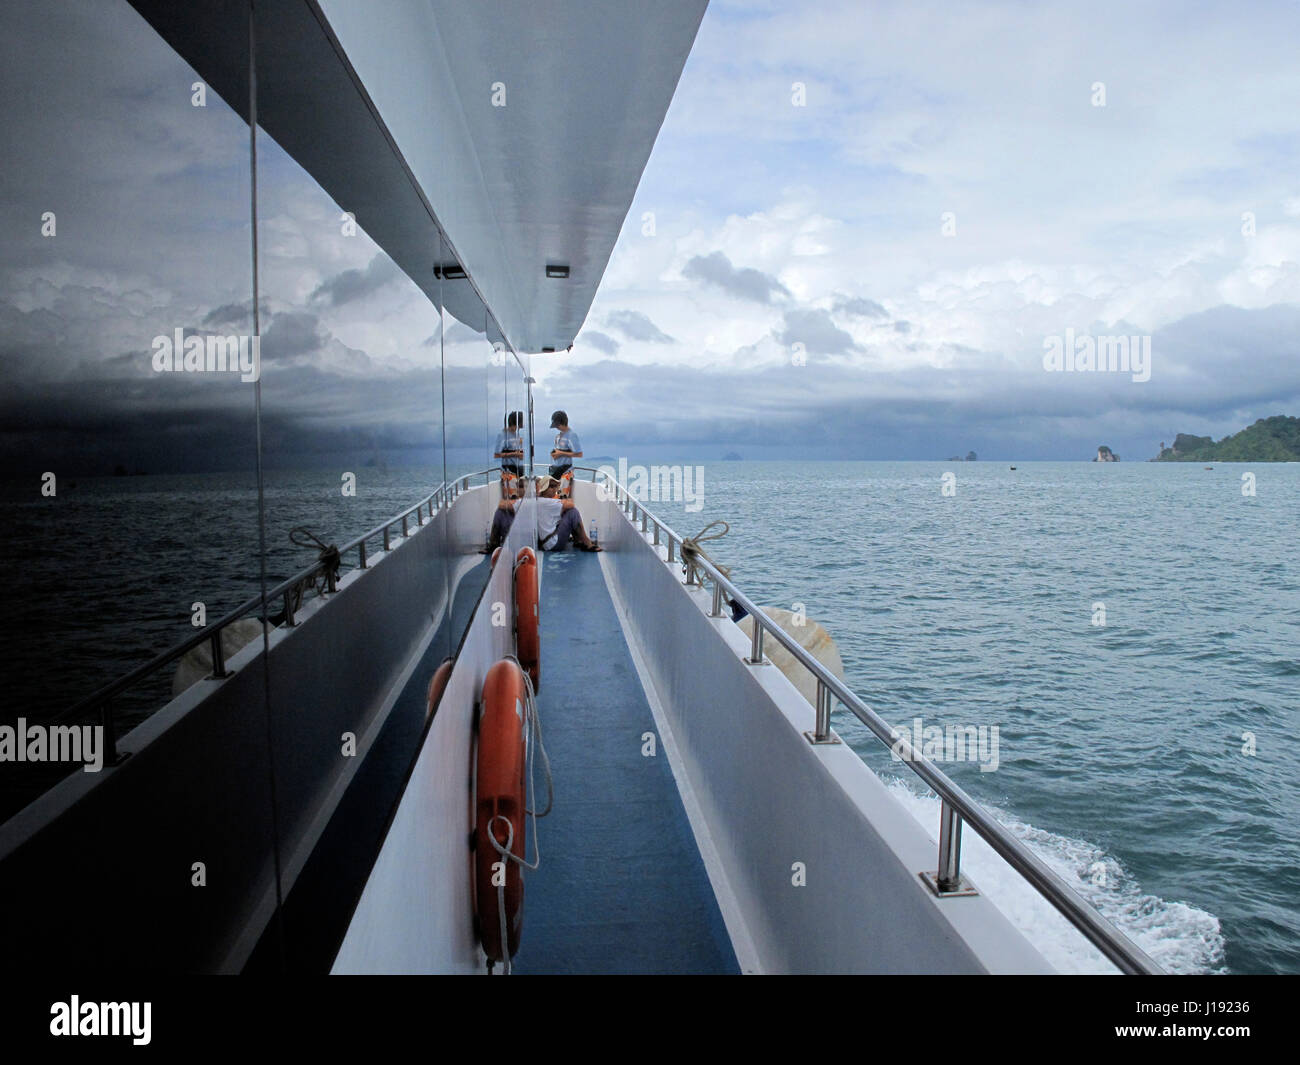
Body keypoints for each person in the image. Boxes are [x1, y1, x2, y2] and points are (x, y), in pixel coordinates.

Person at [534, 475, 600, 552]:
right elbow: (571, 504)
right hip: (553, 544)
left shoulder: (540, 500)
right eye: (551, 486)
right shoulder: (546, 502)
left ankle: (578, 541)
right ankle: (587, 543)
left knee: (566, 512)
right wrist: (565, 501)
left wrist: (565, 503)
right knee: (572, 512)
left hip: (545, 543)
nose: (554, 489)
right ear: (544, 489)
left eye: (556, 486)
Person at [547, 410, 582, 480]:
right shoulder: (558, 436)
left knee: (562, 491)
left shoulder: (572, 435)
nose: (556, 427)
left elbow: (579, 454)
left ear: (563, 422)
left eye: (557, 425)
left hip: (566, 474)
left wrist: (560, 453)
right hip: (555, 471)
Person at [494, 412, 525, 491]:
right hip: (509, 472)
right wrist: (514, 454)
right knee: (513, 499)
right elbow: (496, 455)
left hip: (519, 471)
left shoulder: (517, 435)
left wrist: (520, 454)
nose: (518, 428)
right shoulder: (502, 435)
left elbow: (520, 456)